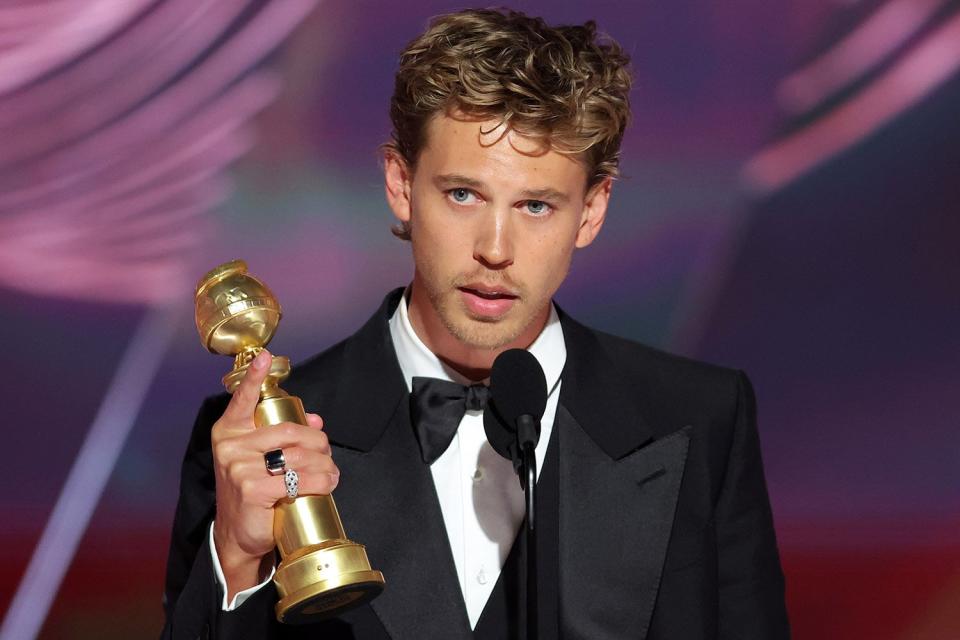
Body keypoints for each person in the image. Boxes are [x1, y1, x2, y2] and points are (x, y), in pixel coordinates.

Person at [161, 8, 789, 639]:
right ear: (401, 185)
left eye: (536, 205)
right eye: (463, 194)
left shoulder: (700, 417)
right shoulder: (258, 440)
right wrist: (238, 568)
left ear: (592, 211)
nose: (495, 248)